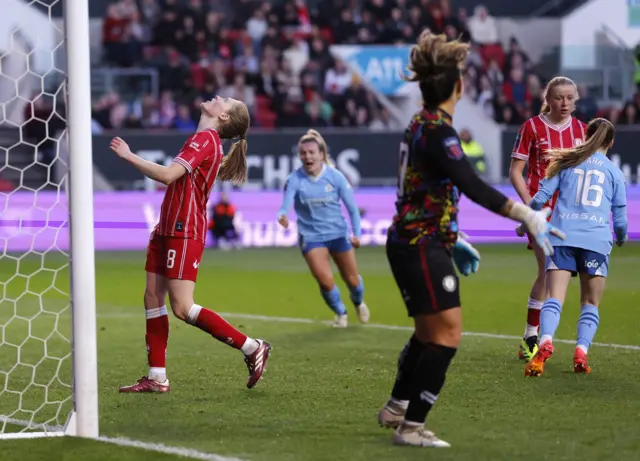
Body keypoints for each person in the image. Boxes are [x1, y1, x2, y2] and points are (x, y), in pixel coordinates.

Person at [377, 31, 565, 448]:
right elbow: (471, 184)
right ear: (458, 87)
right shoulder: (440, 133)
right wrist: (527, 214)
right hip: (420, 243)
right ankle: (412, 428)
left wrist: (452, 235)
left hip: (416, 238)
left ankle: (396, 407)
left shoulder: (420, 124)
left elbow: (427, 188)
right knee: (447, 336)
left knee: (428, 334)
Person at [109, 96, 272, 393]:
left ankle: (251, 347)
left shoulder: (207, 140)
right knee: (152, 297)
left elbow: (168, 175)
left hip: (184, 230)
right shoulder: (202, 138)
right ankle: (156, 377)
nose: (218, 97)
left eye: (225, 100)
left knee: (182, 307)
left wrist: (129, 156)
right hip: (168, 226)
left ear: (223, 117)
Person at [522, 118, 627, 377]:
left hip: (562, 237)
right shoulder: (614, 172)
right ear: (610, 143)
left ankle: (545, 341)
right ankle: (581, 351)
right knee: (590, 303)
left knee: (554, 298)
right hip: (596, 241)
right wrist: (621, 237)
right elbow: (621, 220)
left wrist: (527, 221)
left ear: (585, 136)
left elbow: (539, 199)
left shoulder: (566, 162)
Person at [509, 76, 587, 361]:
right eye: (559, 98)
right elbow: (516, 171)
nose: (564, 103)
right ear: (549, 99)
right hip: (541, 213)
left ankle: (542, 337)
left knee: (560, 276)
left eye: (569, 98)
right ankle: (534, 338)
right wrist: (529, 208)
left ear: (575, 100)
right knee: (547, 271)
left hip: (573, 214)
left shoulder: (582, 132)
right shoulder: (531, 127)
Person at [276, 129, 369, 328]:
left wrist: (357, 234)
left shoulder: (336, 177)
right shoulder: (294, 179)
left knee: (352, 280)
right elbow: (285, 205)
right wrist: (281, 216)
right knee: (325, 281)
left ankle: (358, 301)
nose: (307, 156)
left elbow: (352, 209)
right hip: (311, 236)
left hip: (338, 234)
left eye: (311, 152)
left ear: (321, 154)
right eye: (303, 153)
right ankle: (340, 312)